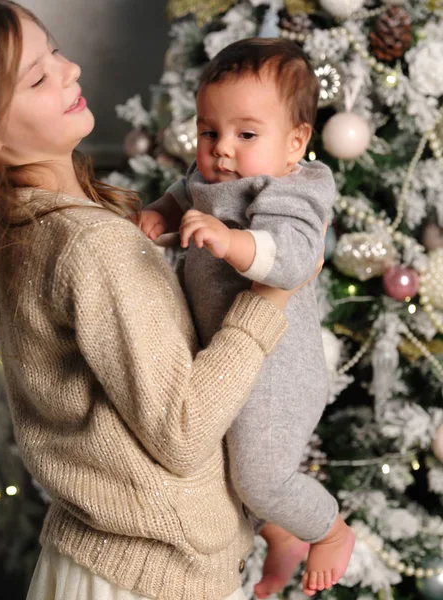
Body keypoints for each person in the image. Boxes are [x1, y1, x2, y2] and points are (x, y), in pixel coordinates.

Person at [0, 5, 322, 599]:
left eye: (55, 51)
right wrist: (266, 300)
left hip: (105, 563)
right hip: (146, 580)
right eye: (38, 78)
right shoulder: (91, 246)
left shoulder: (34, 225)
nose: (69, 71)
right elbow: (181, 428)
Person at [139, 38, 355, 598]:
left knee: (260, 477)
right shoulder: (208, 177)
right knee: (225, 471)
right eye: (210, 132)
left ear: (296, 142)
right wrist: (158, 214)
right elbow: (179, 193)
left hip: (279, 372)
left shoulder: (289, 190)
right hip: (229, 359)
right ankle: (281, 535)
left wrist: (232, 241)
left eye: (246, 134)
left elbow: (292, 258)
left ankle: (328, 530)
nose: (222, 150)